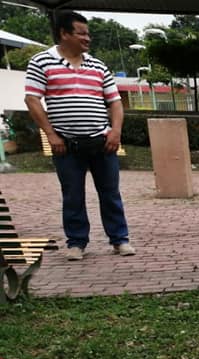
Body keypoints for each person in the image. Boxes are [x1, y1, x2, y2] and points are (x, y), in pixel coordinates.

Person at [24, 11, 134, 261]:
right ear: (64, 34)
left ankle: (120, 239)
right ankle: (76, 242)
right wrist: (51, 134)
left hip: (102, 141)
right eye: (81, 33)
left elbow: (115, 102)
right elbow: (32, 99)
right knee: (73, 195)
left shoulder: (98, 65)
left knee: (111, 193)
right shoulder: (42, 62)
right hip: (66, 144)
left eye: (88, 34)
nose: (87, 38)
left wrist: (116, 131)